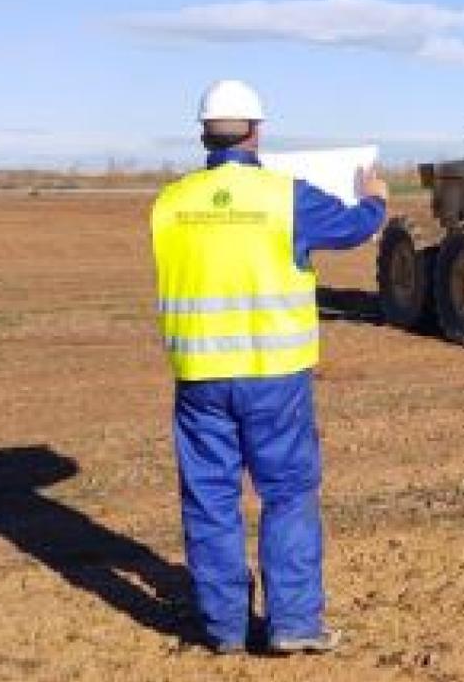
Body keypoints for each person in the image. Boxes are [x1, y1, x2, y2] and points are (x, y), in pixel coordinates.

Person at [149, 79, 387, 653]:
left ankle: (224, 629)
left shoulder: (169, 204)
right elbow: (356, 227)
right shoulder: (287, 197)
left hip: (200, 379)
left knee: (210, 500)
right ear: (257, 131)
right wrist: (376, 197)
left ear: (204, 133)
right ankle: (295, 624)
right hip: (275, 377)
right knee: (286, 493)